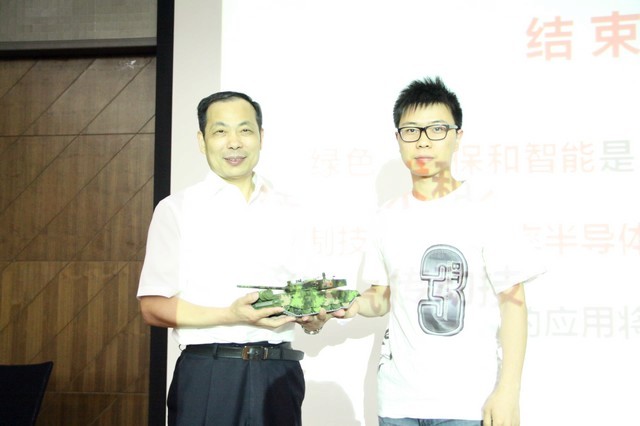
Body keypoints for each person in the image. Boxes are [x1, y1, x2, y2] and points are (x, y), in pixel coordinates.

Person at [344, 77, 544, 426]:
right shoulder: (386, 217)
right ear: (398, 140)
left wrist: (508, 391)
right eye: (411, 130)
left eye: (437, 129)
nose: (423, 141)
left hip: (467, 402)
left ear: (457, 137)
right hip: (397, 403)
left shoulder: (486, 210)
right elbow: (382, 296)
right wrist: (352, 305)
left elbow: (514, 304)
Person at [137, 91, 336, 426]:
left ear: (261, 137)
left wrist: (314, 319)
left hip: (279, 372)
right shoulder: (177, 209)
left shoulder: (292, 209)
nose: (234, 142)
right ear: (201, 141)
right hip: (210, 373)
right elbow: (152, 306)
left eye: (245, 130)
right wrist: (230, 314)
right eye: (220, 131)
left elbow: (309, 293)